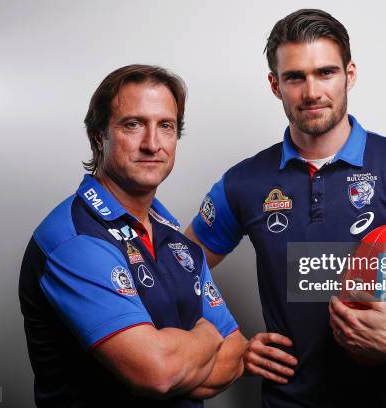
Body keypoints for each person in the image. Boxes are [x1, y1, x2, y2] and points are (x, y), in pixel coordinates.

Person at [186, 9, 386, 407]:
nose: (312, 92)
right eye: (295, 77)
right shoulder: (243, 182)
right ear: (275, 85)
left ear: (350, 74)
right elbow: (175, 268)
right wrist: (230, 342)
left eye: (326, 72)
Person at [19, 64, 245, 407]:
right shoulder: (76, 239)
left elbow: (235, 355)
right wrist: (205, 335)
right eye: (133, 124)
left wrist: (176, 356)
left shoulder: (175, 238)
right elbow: (157, 374)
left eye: (165, 126)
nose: (152, 144)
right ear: (99, 136)